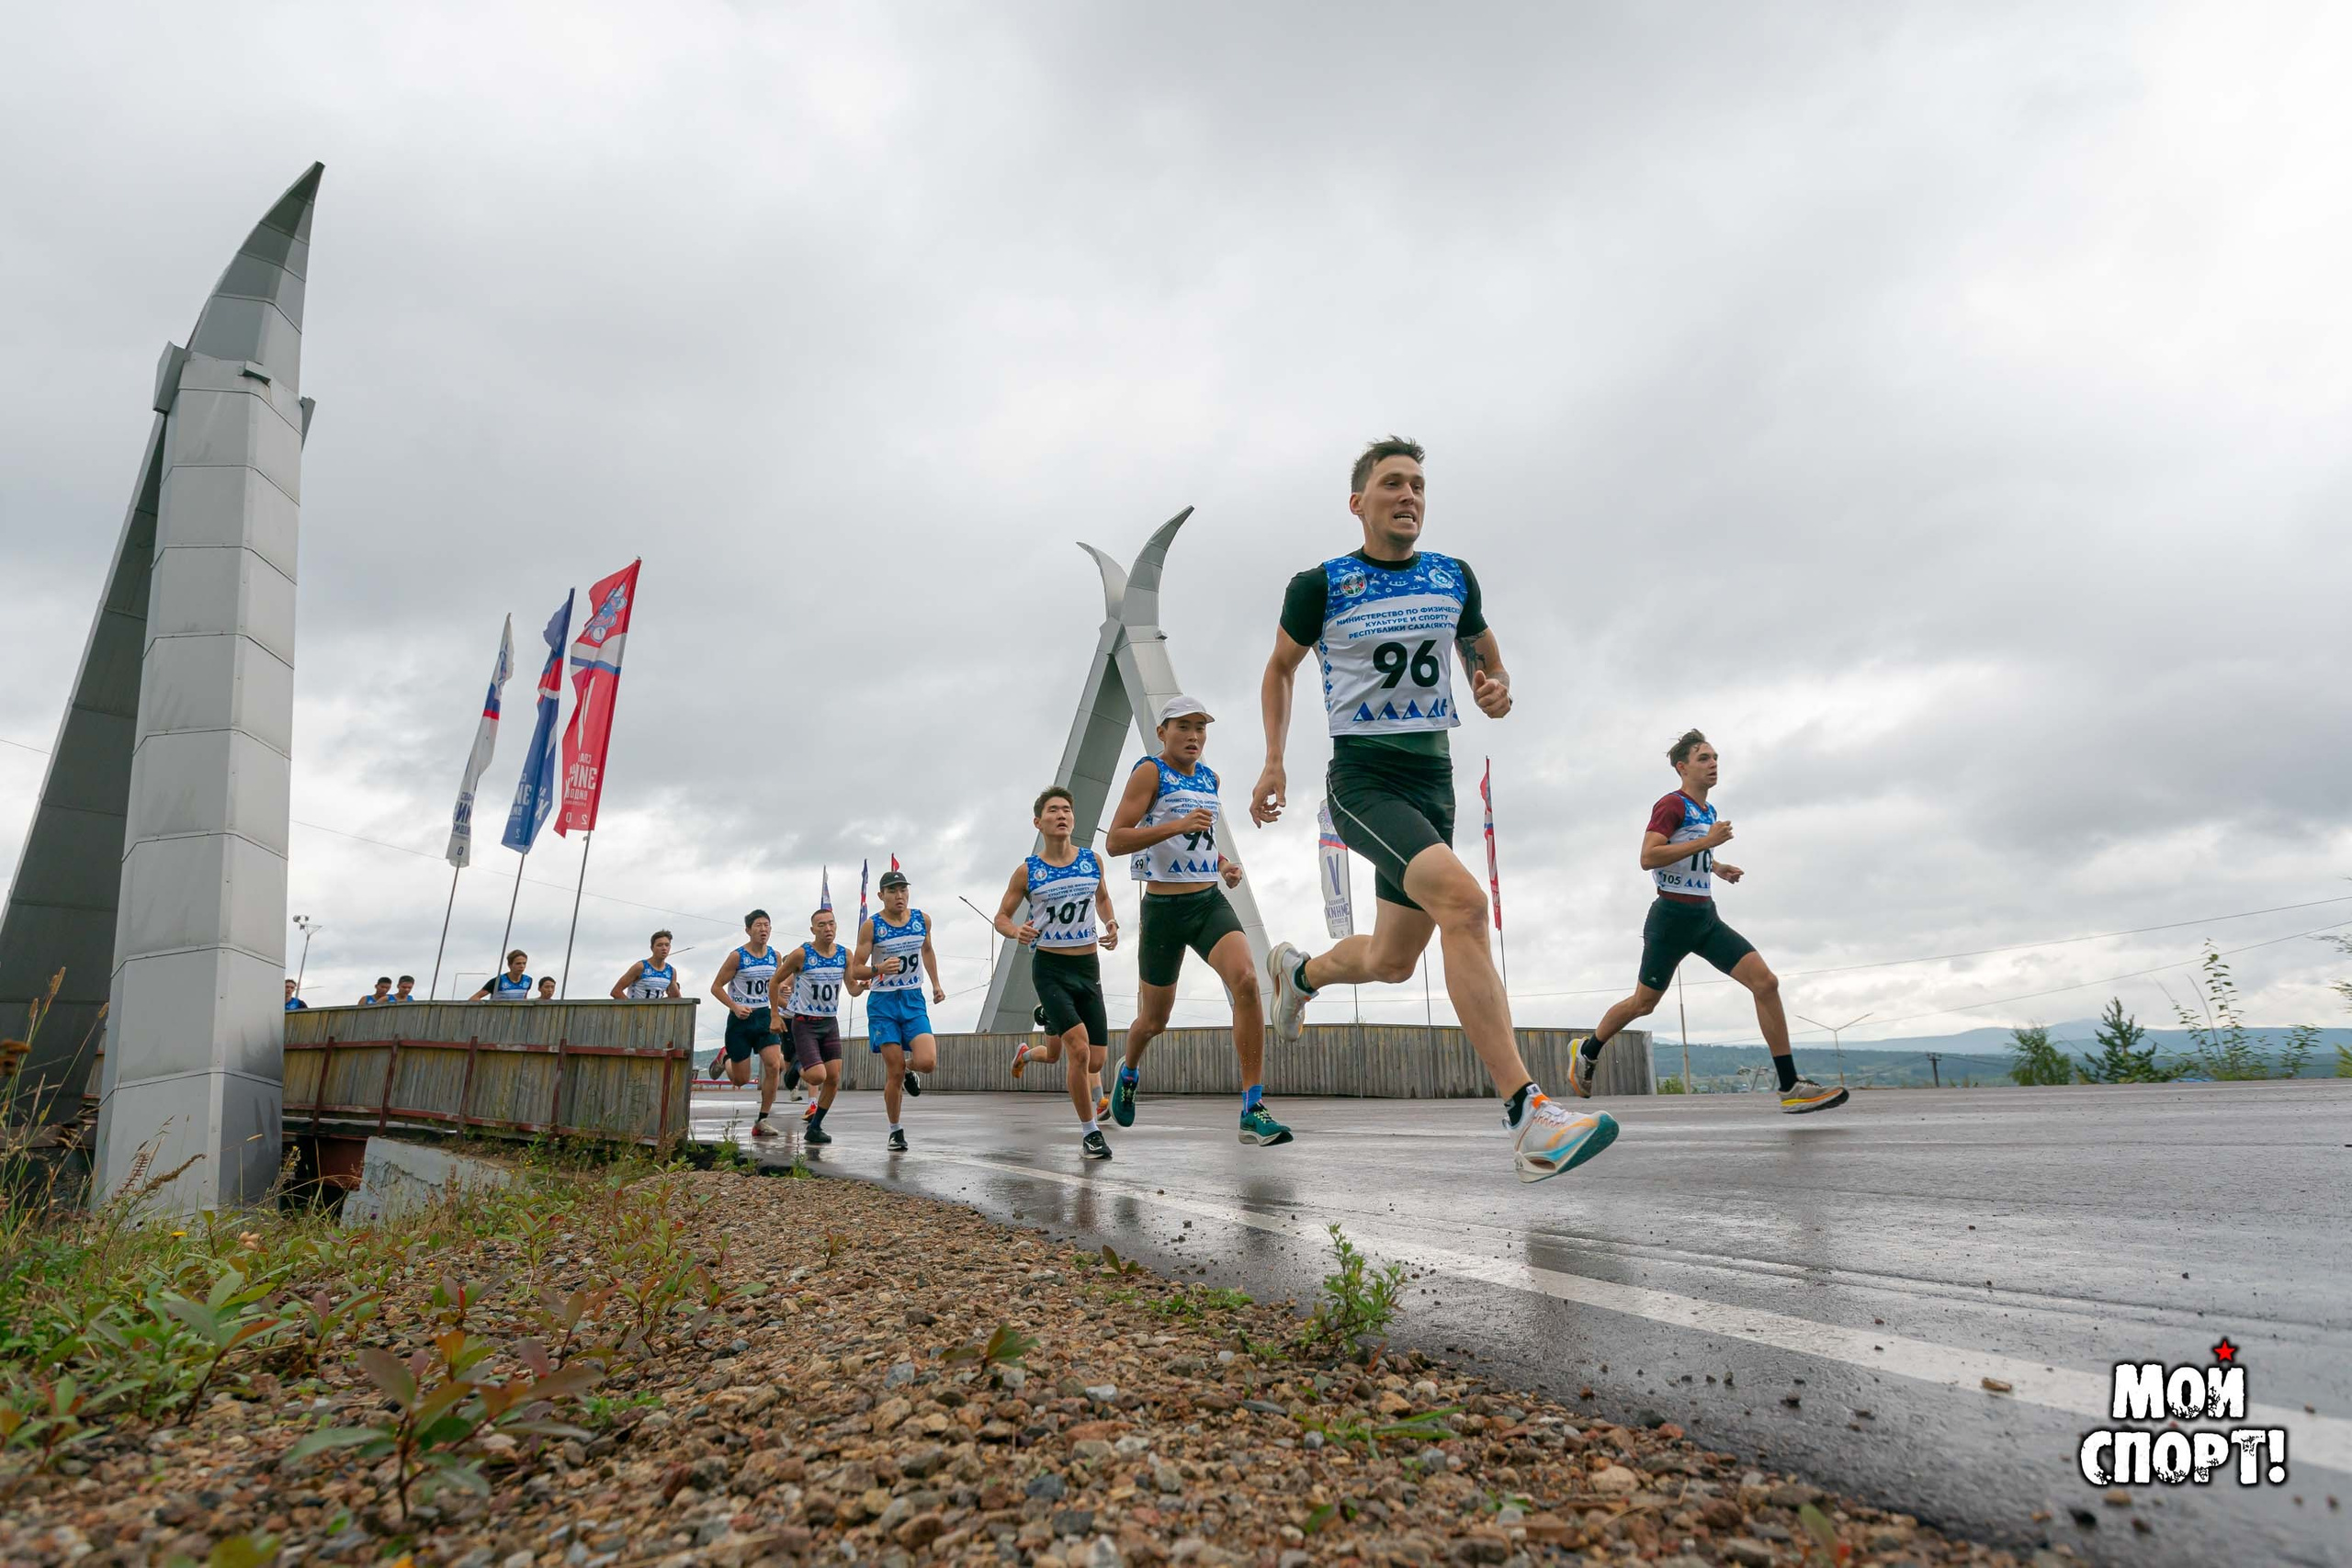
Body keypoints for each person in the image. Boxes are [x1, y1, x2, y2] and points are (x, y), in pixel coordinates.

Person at [1252, 435, 1617, 1184]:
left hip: (1434, 782)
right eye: (1392, 484)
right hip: (1363, 783)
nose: (1408, 495)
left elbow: (1487, 657)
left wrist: (1496, 686)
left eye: (1418, 484)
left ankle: (1300, 975)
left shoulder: (1454, 577)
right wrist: (1274, 759)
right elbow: (1280, 669)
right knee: (1465, 903)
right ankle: (1528, 1115)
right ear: (1359, 503)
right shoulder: (1321, 585)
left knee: (1392, 961)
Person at [1569, 731, 1848, 1113]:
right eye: (1703, 758)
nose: (1713, 763)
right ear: (1682, 767)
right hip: (1670, 920)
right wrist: (1707, 844)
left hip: (1705, 918)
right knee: (1643, 1004)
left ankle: (1790, 1086)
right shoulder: (1671, 805)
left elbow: (1687, 853)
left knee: (1766, 983)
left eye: (1716, 757)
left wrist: (1716, 868)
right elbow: (1649, 857)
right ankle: (1588, 1050)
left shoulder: (1708, 813)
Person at [1104, 696, 1288, 1145]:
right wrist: (1175, 825)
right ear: (1162, 733)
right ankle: (1128, 1072)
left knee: (1246, 980)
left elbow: (1200, 836)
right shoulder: (1150, 772)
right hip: (1164, 911)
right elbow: (1115, 841)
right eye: (1183, 727)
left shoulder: (1210, 778)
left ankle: (1252, 1106)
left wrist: (1222, 862)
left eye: (1200, 729)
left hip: (1207, 902)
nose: (1193, 736)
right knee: (1153, 1020)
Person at [994, 786, 1121, 1161]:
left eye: (1067, 809)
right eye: (1053, 810)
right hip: (1050, 968)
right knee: (1078, 1052)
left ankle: (1042, 1029)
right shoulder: (1027, 871)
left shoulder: (1091, 860)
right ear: (1039, 822)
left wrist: (1111, 921)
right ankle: (1090, 1133)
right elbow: (1002, 916)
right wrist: (1016, 931)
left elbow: (1101, 897)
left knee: (1096, 1060)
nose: (1062, 815)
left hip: (1088, 967)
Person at [852, 870, 944, 1152]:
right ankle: (895, 1130)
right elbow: (855, 968)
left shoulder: (921, 920)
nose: (899, 895)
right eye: (892, 891)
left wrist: (936, 985)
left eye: (903, 889)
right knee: (893, 1070)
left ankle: (909, 1070)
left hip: (913, 999)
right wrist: (878, 969)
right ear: (882, 896)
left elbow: (927, 950)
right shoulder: (872, 926)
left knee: (927, 1062)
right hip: (883, 1003)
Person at [709, 911, 788, 1137]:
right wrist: (735, 1007)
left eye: (767, 925)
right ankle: (724, 1058)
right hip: (741, 1019)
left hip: (765, 1016)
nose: (763, 930)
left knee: (774, 1065)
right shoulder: (738, 956)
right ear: (748, 930)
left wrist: (783, 992)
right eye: (758, 926)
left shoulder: (776, 956)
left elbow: (775, 987)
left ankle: (762, 1120)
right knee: (741, 1079)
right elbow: (716, 987)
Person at [775, 909, 850, 1145]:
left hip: (830, 1021)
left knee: (834, 1078)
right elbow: (775, 981)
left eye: (831, 924)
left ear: (836, 926)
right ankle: (796, 1066)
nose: (827, 928)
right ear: (813, 930)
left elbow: (853, 987)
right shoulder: (801, 955)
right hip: (805, 1022)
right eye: (821, 925)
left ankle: (815, 1127)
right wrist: (774, 1015)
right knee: (817, 1076)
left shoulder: (844, 954)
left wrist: (867, 983)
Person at [613, 931, 683, 999]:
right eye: (660, 945)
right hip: (637, 1009)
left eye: (667, 945)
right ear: (652, 948)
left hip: (657, 1010)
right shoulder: (640, 967)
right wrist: (631, 1008)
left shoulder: (671, 971)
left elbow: (676, 997)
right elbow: (616, 992)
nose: (664, 948)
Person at [470, 951, 534, 1001]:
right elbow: (474, 998)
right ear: (510, 965)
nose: (522, 966)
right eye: (518, 963)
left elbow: (524, 998)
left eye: (524, 963)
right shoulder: (498, 981)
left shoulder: (528, 980)